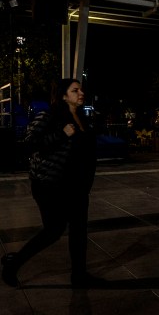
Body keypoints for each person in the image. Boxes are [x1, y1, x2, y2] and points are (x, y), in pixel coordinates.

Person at [1, 79, 101, 288]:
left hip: (78, 186)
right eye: (75, 90)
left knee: (79, 232)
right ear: (64, 96)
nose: (81, 93)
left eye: (81, 89)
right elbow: (27, 145)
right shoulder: (49, 115)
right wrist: (60, 135)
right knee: (53, 230)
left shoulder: (82, 117)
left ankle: (79, 275)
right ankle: (14, 263)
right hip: (51, 185)